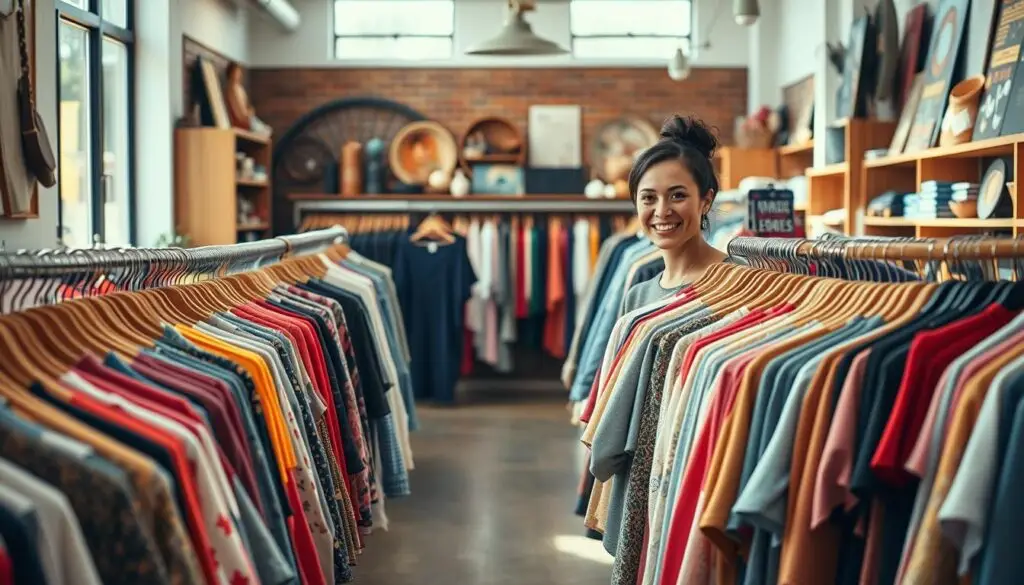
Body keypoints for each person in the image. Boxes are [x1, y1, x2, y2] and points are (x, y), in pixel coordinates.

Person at [622, 114, 738, 313]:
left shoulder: (740, 282)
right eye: (649, 198)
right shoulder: (637, 296)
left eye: (677, 195)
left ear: (706, 201)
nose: (661, 211)